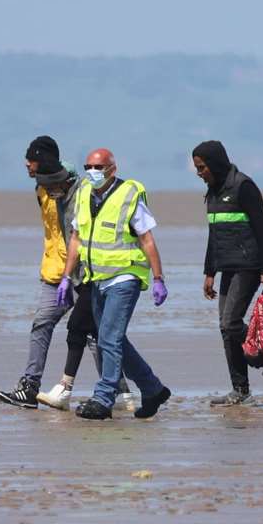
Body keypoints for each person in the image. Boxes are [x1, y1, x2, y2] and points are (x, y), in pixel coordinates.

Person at [62, 148, 172, 421]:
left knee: (108, 338)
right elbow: (75, 238)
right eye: (88, 166)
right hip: (97, 278)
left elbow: (147, 239)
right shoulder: (85, 195)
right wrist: (66, 277)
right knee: (112, 338)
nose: (92, 171)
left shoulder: (129, 196)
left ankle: (103, 398)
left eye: (98, 167)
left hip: (125, 277)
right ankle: (152, 388)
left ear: (112, 169)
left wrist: (158, 278)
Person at [191, 140, 263, 405]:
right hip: (227, 266)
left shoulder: (243, 186)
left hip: (249, 265)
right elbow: (214, 235)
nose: (199, 173)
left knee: (231, 323)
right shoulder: (214, 191)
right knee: (226, 328)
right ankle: (240, 390)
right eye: (197, 169)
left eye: (202, 167)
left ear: (215, 163)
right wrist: (210, 272)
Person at [0, 136, 81, 408]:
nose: (26, 164)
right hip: (53, 271)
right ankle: (29, 388)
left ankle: (117, 391)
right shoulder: (40, 188)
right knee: (41, 325)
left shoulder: (72, 185)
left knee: (93, 334)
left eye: (30, 159)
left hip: (81, 272)